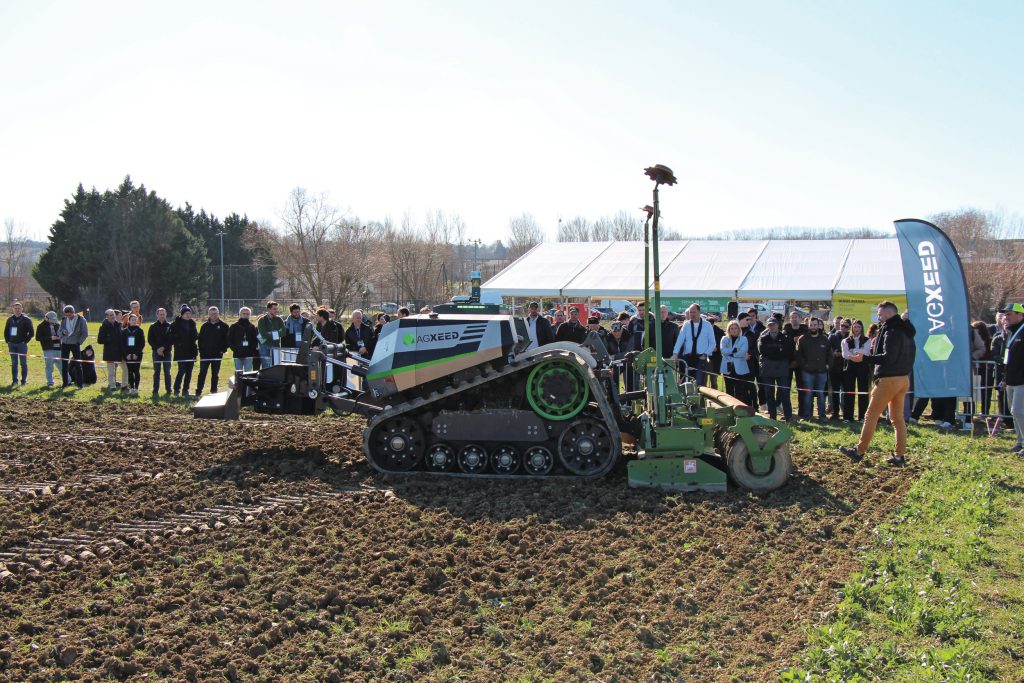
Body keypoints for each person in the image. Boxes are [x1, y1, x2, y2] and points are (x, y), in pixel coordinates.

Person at [840, 301, 916, 466]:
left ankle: (859, 451)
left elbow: (888, 357)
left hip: (888, 380)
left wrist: (864, 358)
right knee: (897, 419)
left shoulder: (892, 332)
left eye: (880, 314)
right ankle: (899, 456)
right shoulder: (907, 331)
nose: (878, 318)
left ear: (889, 314)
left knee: (871, 415)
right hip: (903, 379)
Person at [998, 303, 1024, 455]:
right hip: (1010, 380)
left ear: (1020, 315)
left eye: (1009, 314)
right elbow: (1007, 359)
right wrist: (1004, 378)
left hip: (1021, 380)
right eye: (1005, 314)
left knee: (1018, 411)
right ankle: (1020, 442)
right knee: (1014, 412)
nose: (1006, 317)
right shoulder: (1010, 333)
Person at [758, 317, 794, 421]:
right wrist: (778, 350)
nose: (772, 326)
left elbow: (787, 352)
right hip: (768, 370)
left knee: (784, 393)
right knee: (769, 393)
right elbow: (763, 351)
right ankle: (772, 416)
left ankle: (788, 416)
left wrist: (772, 352)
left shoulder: (785, 338)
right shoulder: (763, 338)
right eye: (770, 325)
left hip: (782, 369)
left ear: (778, 325)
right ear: (767, 326)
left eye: (774, 324)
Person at [671, 304, 715, 385]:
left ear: (699, 312)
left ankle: (698, 393)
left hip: (701, 358)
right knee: (686, 383)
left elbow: (713, 343)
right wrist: (675, 353)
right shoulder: (686, 325)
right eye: (690, 312)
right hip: (687, 358)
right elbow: (680, 340)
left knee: (699, 382)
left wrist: (705, 354)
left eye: (694, 312)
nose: (692, 314)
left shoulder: (707, 325)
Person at [841, 319, 871, 422]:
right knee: (849, 391)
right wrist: (857, 354)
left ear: (862, 328)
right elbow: (845, 354)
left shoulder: (867, 340)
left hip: (862, 367)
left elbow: (866, 352)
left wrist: (853, 351)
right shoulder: (845, 340)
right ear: (852, 328)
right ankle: (848, 417)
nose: (856, 329)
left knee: (863, 391)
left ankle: (862, 417)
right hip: (849, 367)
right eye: (855, 327)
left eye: (858, 327)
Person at [196, 306, 229, 396]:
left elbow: (227, 340)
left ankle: (213, 391)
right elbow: (200, 339)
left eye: (215, 313)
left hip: (217, 354)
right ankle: (198, 391)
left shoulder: (224, 326)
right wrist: (201, 350)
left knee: (215, 373)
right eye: (212, 314)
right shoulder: (204, 326)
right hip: (205, 354)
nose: (214, 315)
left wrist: (223, 350)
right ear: (208, 314)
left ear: (218, 313)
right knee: (202, 373)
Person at [720, 320, 753, 405]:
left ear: (739, 329)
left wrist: (730, 353)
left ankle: (740, 407)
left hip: (740, 368)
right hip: (727, 367)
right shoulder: (724, 339)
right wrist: (735, 350)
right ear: (728, 330)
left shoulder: (744, 339)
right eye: (731, 328)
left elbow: (743, 352)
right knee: (729, 389)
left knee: (740, 390)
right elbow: (723, 351)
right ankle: (729, 406)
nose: (734, 330)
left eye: (735, 328)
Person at [783, 311, 809, 417]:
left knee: (801, 388)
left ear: (800, 319)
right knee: (786, 388)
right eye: (792, 317)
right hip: (788, 363)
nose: (794, 319)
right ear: (790, 319)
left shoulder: (805, 331)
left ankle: (801, 411)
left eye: (796, 317)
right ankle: (787, 412)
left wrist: (798, 361)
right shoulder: (786, 331)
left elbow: (807, 348)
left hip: (801, 364)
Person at [170, 304, 198, 397]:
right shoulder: (176, 324)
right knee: (181, 371)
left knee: (189, 373)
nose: (188, 315)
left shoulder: (192, 323)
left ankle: (185, 390)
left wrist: (195, 353)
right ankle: (176, 389)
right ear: (182, 314)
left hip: (191, 351)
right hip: (181, 351)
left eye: (189, 313)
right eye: (186, 313)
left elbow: (195, 338)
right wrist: (179, 340)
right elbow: (171, 336)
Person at [58, 305, 89, 388]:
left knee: (78, 364)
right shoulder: (64, 320)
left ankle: (80, 384)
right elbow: (59, 331)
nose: (68, 317)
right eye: (67, 315)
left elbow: (85, 333)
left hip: (75, 344)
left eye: (70, 315)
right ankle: (65, 384)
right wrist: (63, 333)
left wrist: (79, 342)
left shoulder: (81, 320)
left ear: (73, 313)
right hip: (65, 344)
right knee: (64, 364)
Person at [967, 320, 993, 418]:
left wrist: (973, 357)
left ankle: (984, 412)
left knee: (985, 391)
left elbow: (984, 351)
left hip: (984, 369)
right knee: (971, 391)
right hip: (974, 369)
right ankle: (969, 412)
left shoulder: (987, 341)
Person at [992, 313, 1013, 428]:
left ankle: (1014, 420)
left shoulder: (1016, 337)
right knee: (1002, 396)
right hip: (1000, 371)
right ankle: (1006, 419)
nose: (1007, 325)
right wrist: (1005, 360)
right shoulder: (998, 338)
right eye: (1005, 323)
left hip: (1014, 372)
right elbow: (994, 353)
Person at [5, 301, 33, 386]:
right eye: (15, 308)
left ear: (22, 309)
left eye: (19, 308)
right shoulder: (10, 319)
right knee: (14, 364)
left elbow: (31, 333)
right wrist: (8, 341)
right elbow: (6, 331)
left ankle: (23, 381)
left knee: (23, 363)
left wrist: (25, 341)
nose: (17, 310)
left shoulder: (26, 320)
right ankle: (15, 381)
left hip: (22, 345)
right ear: (13, 309)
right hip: (12, 344)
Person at [97, 309, 125, 391]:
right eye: (110, 315)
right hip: (109, 352)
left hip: (120, 351)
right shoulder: (103, 327)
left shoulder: (119, 325)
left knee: (125, 369)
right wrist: (109, 339)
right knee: (111, 371)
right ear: (107, 316)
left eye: (113, 314)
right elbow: (99, 340)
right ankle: (112, 386)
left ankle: (124, 386)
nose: (112, 316)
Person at [739, 313, 762, 408]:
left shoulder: (751, 333)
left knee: (750, 385)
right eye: (746, 319)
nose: (749, 321)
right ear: (740, 320)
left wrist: (750, 354)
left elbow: (757, 348)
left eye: (750, 319)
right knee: (740, 386)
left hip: (749, 363)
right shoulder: (735, 331)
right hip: (737, 363)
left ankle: (754, 406)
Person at [148, 307, 173, 395]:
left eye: (163, 314)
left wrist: (163, 348)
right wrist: (157, 349)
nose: (162, 316)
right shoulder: (153, 326)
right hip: (156, 352)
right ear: (157, 315)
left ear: (166, 315)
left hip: (167, 352)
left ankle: (168, 389)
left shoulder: (170, 326)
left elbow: (171, 339)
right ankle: (155, 389)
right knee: (156, 372)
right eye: (160, 314)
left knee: (167, 372)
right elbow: (150, 339)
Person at [827, 318, 848, 420]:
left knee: (846, 392)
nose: (844, 328)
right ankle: (835, 412)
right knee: (835, 391)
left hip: (847, 368)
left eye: (846, 326)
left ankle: (846, 412)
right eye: (842, 325)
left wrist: (844, 354)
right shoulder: (832, 336)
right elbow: (827, 350)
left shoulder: (850, 337)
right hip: (834, 367)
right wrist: (833, 353)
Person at [35, 311, 62, 387]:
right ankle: (50, 382)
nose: (53, 321)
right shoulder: (40, 326)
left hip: (58, 348)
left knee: (62, 366)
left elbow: (61, 334)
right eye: (51, 320)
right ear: (46, 318)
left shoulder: (57, 325)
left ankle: (67, 380)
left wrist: (61, 336)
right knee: (49, 366)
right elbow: (38, 338)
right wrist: (50, 338)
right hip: (48, 349)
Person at [228, 307, 259, 373]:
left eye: (247, 314)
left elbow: (255, 340)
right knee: (239, 373)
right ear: (240, 314)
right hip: (237, 354)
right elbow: (229, 339)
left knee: (248, 373)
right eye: (244, 313)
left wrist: (251, 351)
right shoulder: (234, 326)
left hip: (249, 354)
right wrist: (235, 350)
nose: (245, 315)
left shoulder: (252, 326)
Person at [121, 313, 145, 394]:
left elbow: (142, 344)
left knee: (136, 371)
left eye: (135, 320)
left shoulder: (140, 331)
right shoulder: (125, 331)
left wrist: (136, 354)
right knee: (130, 371)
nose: (134, 321)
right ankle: (131, 387)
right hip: (127, 355)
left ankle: (136, 388)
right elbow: (122, 344)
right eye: (132, 320)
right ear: (129, 321)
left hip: (137, 355)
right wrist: (126, 354)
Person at [257, 301, 286, 368]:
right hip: (265, 347)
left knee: (277, 367)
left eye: (277, 309)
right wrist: (277, 333)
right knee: (266, 368)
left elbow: (283, 332)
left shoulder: (279, 319)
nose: (276, 310)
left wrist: (270, 333)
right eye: (274, 309)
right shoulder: (262, 320)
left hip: (276, 346)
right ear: (268, 309)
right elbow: (264, 335)